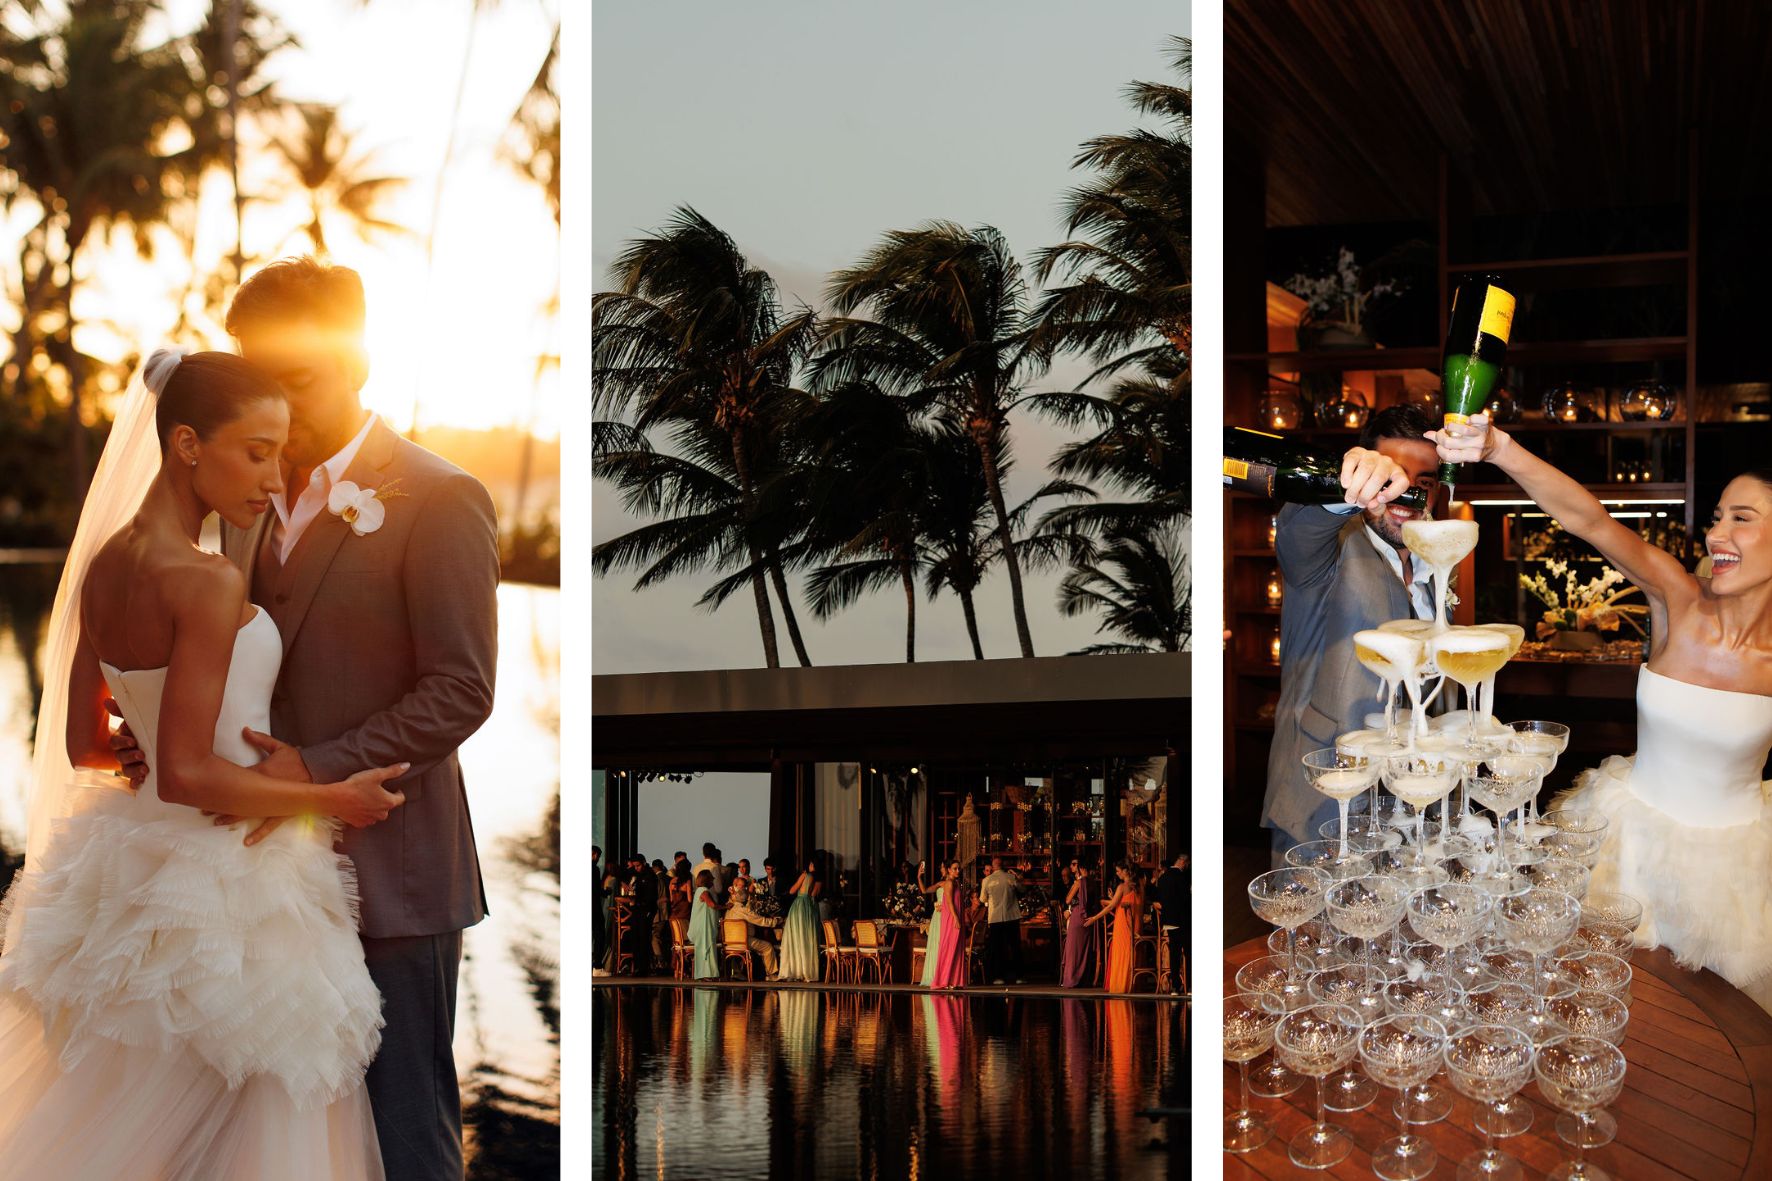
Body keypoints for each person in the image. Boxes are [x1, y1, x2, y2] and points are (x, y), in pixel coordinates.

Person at [0, 349, 408, 1177]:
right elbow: (187, 774)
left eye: (281, 452)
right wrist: (333, 797)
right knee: (258, 1128)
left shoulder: (107, 564)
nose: (273, 474)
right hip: (226, 879)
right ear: (187, 444)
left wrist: (140, 739)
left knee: (122, 1111)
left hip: (130, 866)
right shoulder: (208, 581)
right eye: (256, 451)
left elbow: (88, 744)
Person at [210, 258, 499, 1176]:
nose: (281, 410)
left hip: (395, 872)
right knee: (283, 1125)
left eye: (298, 381)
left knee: (407, 1127)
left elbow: (462, 688)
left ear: (357, 357)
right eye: (263, 383)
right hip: (261, 871)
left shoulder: (440, 496)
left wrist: (314, 767)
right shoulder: (246, 505)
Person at [1432, 414, 1772, 1012]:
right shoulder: (1678, 600)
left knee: (1719, 1036)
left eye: (1741, 519)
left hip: (1737, 877)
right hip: (1625, 847)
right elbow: (1591, 521)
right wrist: (1501, 448)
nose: (1718, 533)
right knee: (1599, 1005)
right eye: (1718, 516)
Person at [1263, 404, 1442, 858]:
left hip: (1411, 809)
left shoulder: (1437, 565)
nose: (1406, 497)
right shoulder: (1327, 550)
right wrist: (1346, 487)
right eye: (1391, 481)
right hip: (1322, 804)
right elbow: (1297, 529)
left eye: (1422, 484)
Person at [1087, 862, 1141, 994]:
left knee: (1121, 951)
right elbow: (1123, 902)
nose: (1117, 874)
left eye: (1118, 871)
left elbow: (1111, 907)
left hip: (1124, 924)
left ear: (1126, 871)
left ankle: (1121, 984)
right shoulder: (1138, 886)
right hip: (1135, 924)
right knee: (1130, 951)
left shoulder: (1122, 886)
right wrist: (1113, 898)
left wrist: (1094, 918)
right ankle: (1131, 983)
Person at [918, 859, 967, 990]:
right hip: (951, 917)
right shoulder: (949, 883)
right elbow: (950, 902)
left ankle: (953, 980)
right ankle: (944, 980)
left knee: (955, 948)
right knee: (949, 948)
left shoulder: (955, 882)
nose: (958, 870)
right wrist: (956, 917)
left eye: (958, 868)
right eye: (955, 868)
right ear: (949, 870)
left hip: (953, 916)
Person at [726, 877, 784, 978]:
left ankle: (738, 972)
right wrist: (777, 921)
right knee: (767, 947)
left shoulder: (729, 909)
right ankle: (772, 973)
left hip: (728, 942)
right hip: (743, 941)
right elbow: (761, 921)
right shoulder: (743, 910)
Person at [980, 856, 1025, 984]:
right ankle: (1019, 977)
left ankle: (998, 977)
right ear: (1003, 865)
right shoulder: (1010, 878)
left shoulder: (987, 880)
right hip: (1011, 916)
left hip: (995, 918)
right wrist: (1018, 878)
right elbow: (1022, 889)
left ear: (993, 866)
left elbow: (982, 899)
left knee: (998, 948)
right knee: (1015, 947)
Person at [778, 859, 822, 982]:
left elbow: (792, 890)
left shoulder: (805, 875)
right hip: (810, 908)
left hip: (799, 906)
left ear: (812, 865)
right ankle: (806, 971)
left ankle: (795, 970)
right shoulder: (819, 881)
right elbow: (813, 895)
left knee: (796, 937)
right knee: (807, 938)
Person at [1155, 851, 1190, 995]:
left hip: (1169, 920)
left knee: (1174, 954)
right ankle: (1190, 986)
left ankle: (1175, 986)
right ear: (1182, 861)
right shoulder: (1183, 877)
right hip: (1184, 920)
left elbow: (1159, 900)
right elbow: (1186, 900)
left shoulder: (1163, 878)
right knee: (1188, 953)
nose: (1187, 867)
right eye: (1187, 864)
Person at [1060, 860, 1096, 989]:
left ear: (1080, 868)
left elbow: (1068, 899)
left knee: (1073, 949)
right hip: (1089, 917)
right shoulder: (1093, 882)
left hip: (1077, 916)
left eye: (1075, 865)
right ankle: (1083, 979)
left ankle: (1071, 979)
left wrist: (1074, 887)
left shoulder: (1080, 882)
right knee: (1084, 949)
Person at [624, 852, 658, 976]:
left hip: (645, 909)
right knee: (635, 938)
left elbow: (650, 896)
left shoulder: (649, 875)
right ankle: (638, 966)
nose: (636, 868)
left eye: (638, 866)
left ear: (643, 863)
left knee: (643, 938)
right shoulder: (636, 875)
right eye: (634, 866)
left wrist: (639, 900)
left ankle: (643, 967)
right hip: (637, 909)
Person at [688, 870, 721, 980]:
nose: (713, 880)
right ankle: (706, 974)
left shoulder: (699, 890)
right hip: (703, 926)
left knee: (705, 948)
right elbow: (712, 905)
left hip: (702, 924)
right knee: (706, 948)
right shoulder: (703, 891)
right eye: (711, 878)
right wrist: (726, 906)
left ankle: (707, 973)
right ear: (706, 879)